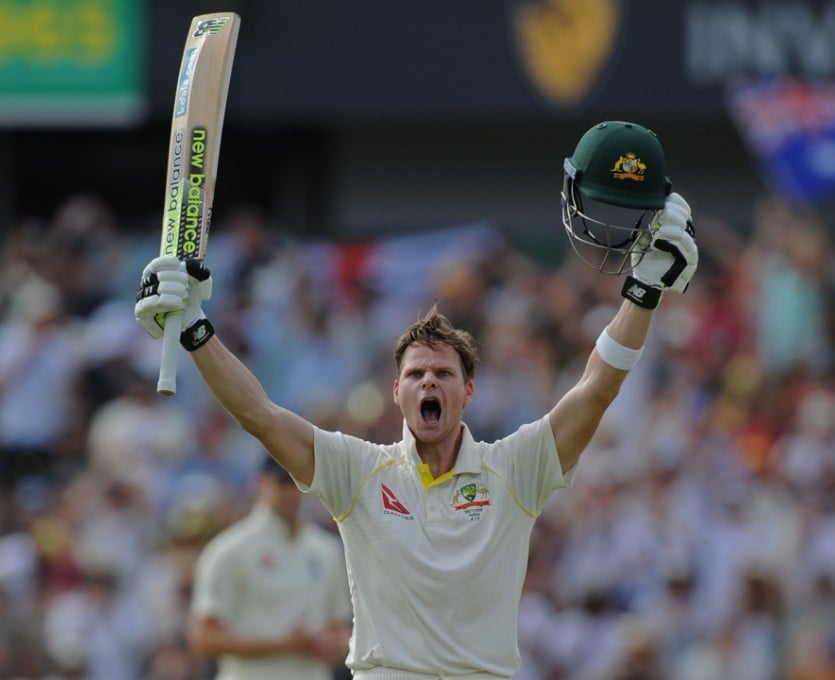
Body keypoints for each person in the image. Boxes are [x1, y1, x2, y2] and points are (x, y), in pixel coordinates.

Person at [135, 120, 698, 679]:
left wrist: (643, 293)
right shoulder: (356, 471)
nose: (430, 382)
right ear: (397, 392)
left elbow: (596, 389)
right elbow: (258, 414)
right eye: (418, 373)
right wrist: (195, 330)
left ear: (468, 392)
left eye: (444, 374)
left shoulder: (514, 470)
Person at [187, 456, 353, 679]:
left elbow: (340, 627)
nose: (292, 494)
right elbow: (203, 638)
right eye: (283, 483)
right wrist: (284, 644)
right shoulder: (229, 551)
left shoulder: (326, 550)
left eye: (298, 483)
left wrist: (338, 643)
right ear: (260, 482)